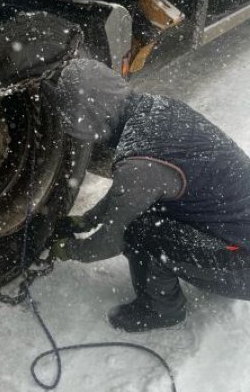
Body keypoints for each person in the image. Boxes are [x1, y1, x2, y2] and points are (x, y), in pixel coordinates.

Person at [45, 58, 250, 332]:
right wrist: (86, 220)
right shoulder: (156, 108)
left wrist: (68, 250)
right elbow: (130, 196)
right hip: (238, 231)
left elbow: (110, 241)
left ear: (92, 117)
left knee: (139, 232)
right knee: (147, 211)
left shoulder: (139, 161)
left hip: (244, 266)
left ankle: (161, 309)